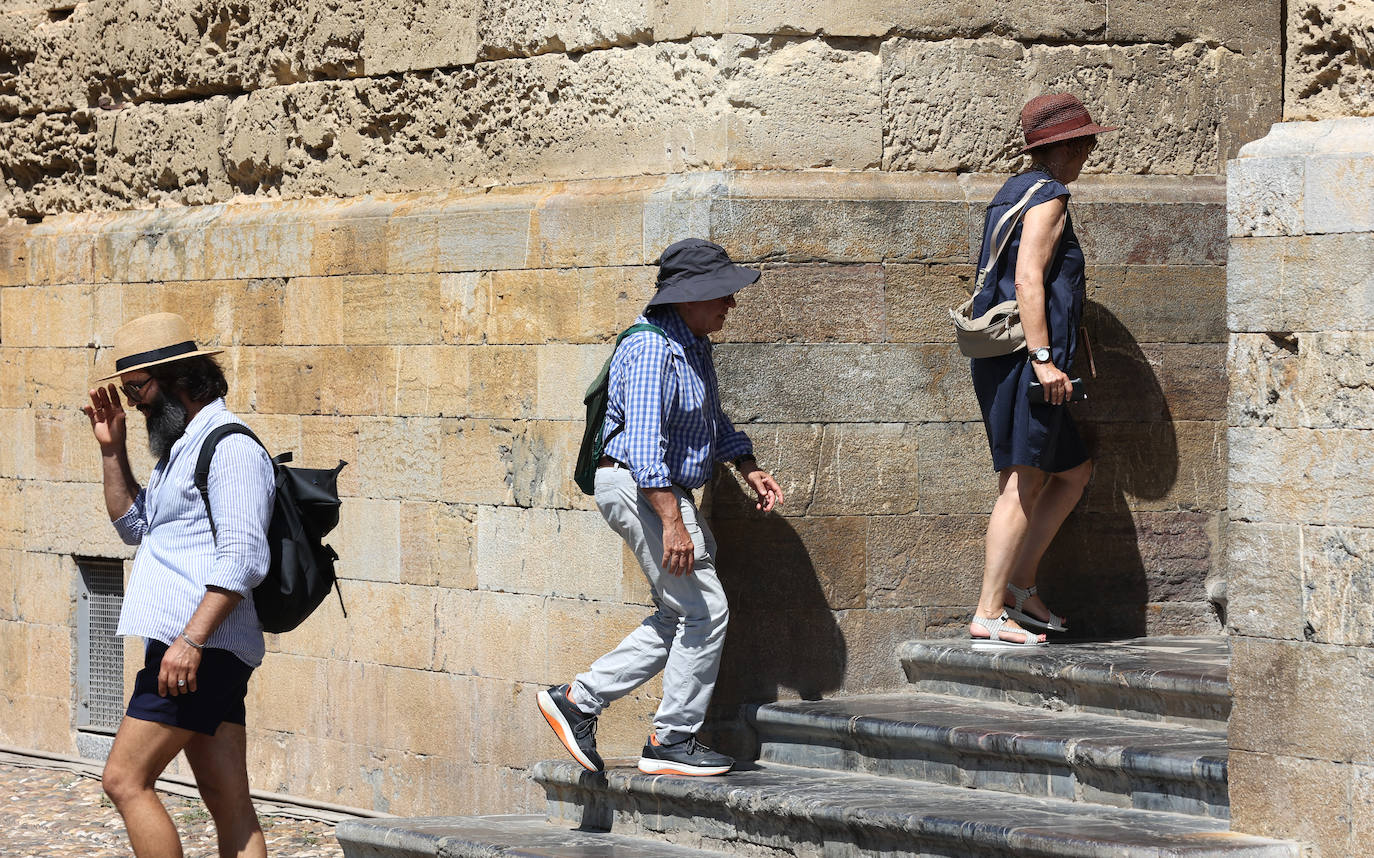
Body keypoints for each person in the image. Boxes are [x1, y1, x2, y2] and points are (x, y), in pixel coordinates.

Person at [538, 239, 784, 777]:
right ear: (686, 298)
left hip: (657, 488)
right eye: (719, 295)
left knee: (681, 615)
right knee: (707, 610)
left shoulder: (692, 343)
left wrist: (747, 467)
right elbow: (646, 448)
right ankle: (671, 739)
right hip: (642, 487)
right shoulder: (652, 350)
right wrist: (673, 522)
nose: (729, 305)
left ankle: (578, 700)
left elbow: (712, 421)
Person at [83, 312, 275, 858]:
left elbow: (242, 558)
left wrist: (189, 641)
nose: (134, 402)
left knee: (124, 779)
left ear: (178, 378)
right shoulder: (182, 449)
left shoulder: (230, 446)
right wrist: (111, 448)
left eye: (137, 388)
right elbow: (132, 526)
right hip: (189, 648)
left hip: (198, 649)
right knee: (227, 797)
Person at [967, 93, 1118, 647]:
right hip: (1027, 365)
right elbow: (1029, 280)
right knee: (1021, 482)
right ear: (1070, 146)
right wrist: (1043, 358)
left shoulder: (1014, 191)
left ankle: (1019, 587)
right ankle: (988, 609)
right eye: (1088, 140)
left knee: (1071, 470)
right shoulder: (1049, 198)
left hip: (1012, 362)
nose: (1092, 149)